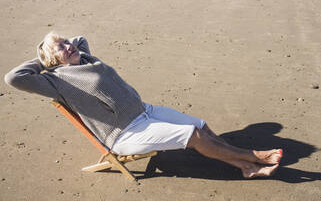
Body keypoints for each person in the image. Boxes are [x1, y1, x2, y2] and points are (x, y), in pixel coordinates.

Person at [4, 31, 283, 178]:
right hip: (125, 133)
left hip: (145, 112)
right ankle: (252, 157)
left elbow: (80, 39)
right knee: (195, 136)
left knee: (202, 126)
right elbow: (13, 78)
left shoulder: (86, 58)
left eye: (65, 42)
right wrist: (44, 59)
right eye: (61, 49)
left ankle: (246, 167)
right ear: (54, 61)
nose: (69, 46)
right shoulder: (55, 80)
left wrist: (61, 44)